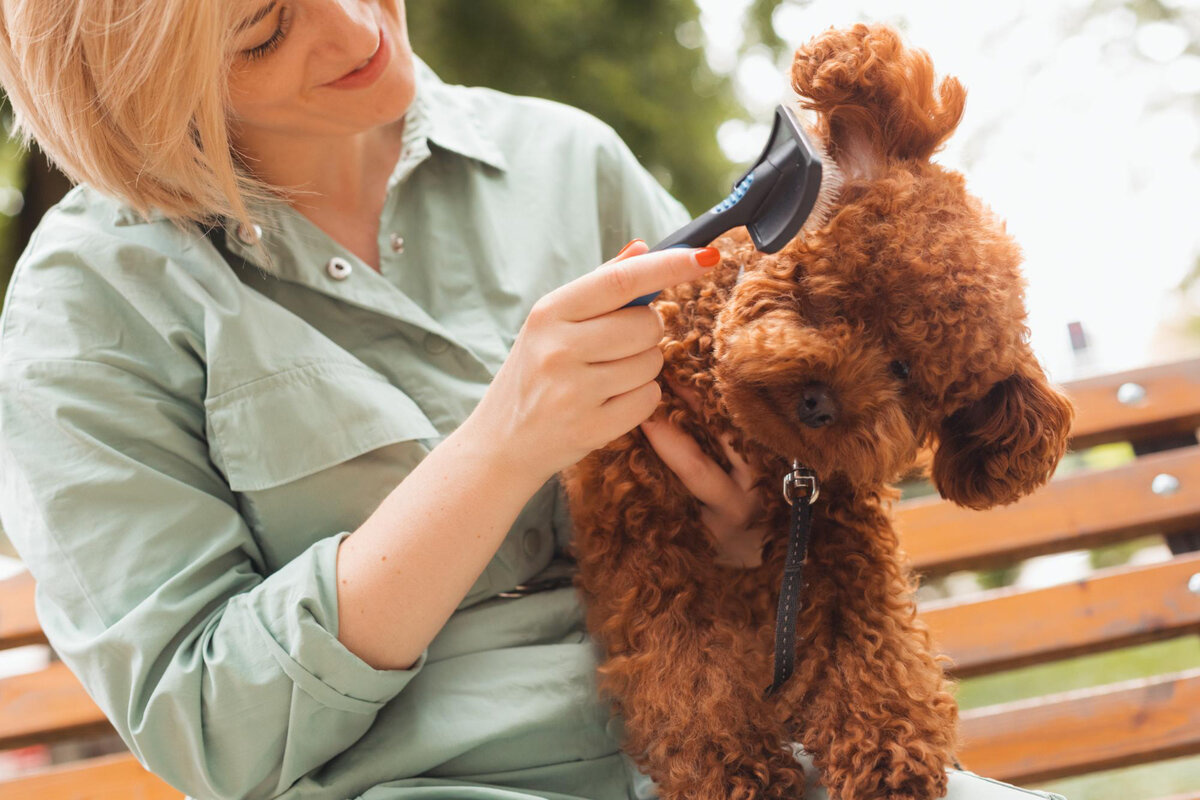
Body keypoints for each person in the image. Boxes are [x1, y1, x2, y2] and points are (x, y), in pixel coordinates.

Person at [0, 2, 1066, 799]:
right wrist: (504, 444)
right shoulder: (88, 306)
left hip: (757, 754)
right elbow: (205, 725)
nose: (351, 24)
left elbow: (780, 452)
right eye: (265, 32)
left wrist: (757, 517)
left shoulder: (563, 158)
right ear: (140, 95)